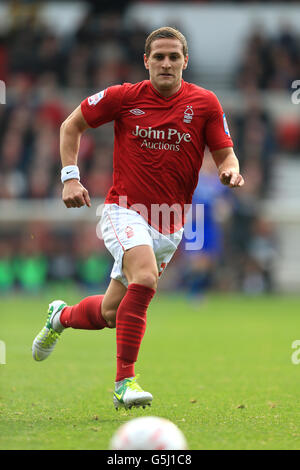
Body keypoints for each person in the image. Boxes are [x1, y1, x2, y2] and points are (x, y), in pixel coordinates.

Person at [32, 26, 244, 410]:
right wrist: (70, 178)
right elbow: (70, 125)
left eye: (173, 56)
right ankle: (124, 383)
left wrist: (230, 170)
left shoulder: (206, 103)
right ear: (146, 61)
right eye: (158, 57)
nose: (166, 63)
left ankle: (59, 317)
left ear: (185, 61)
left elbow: (225, 152)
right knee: (144, 278)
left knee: (113, 313)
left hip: (171, 223)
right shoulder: (123, 97)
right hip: (123, 210)